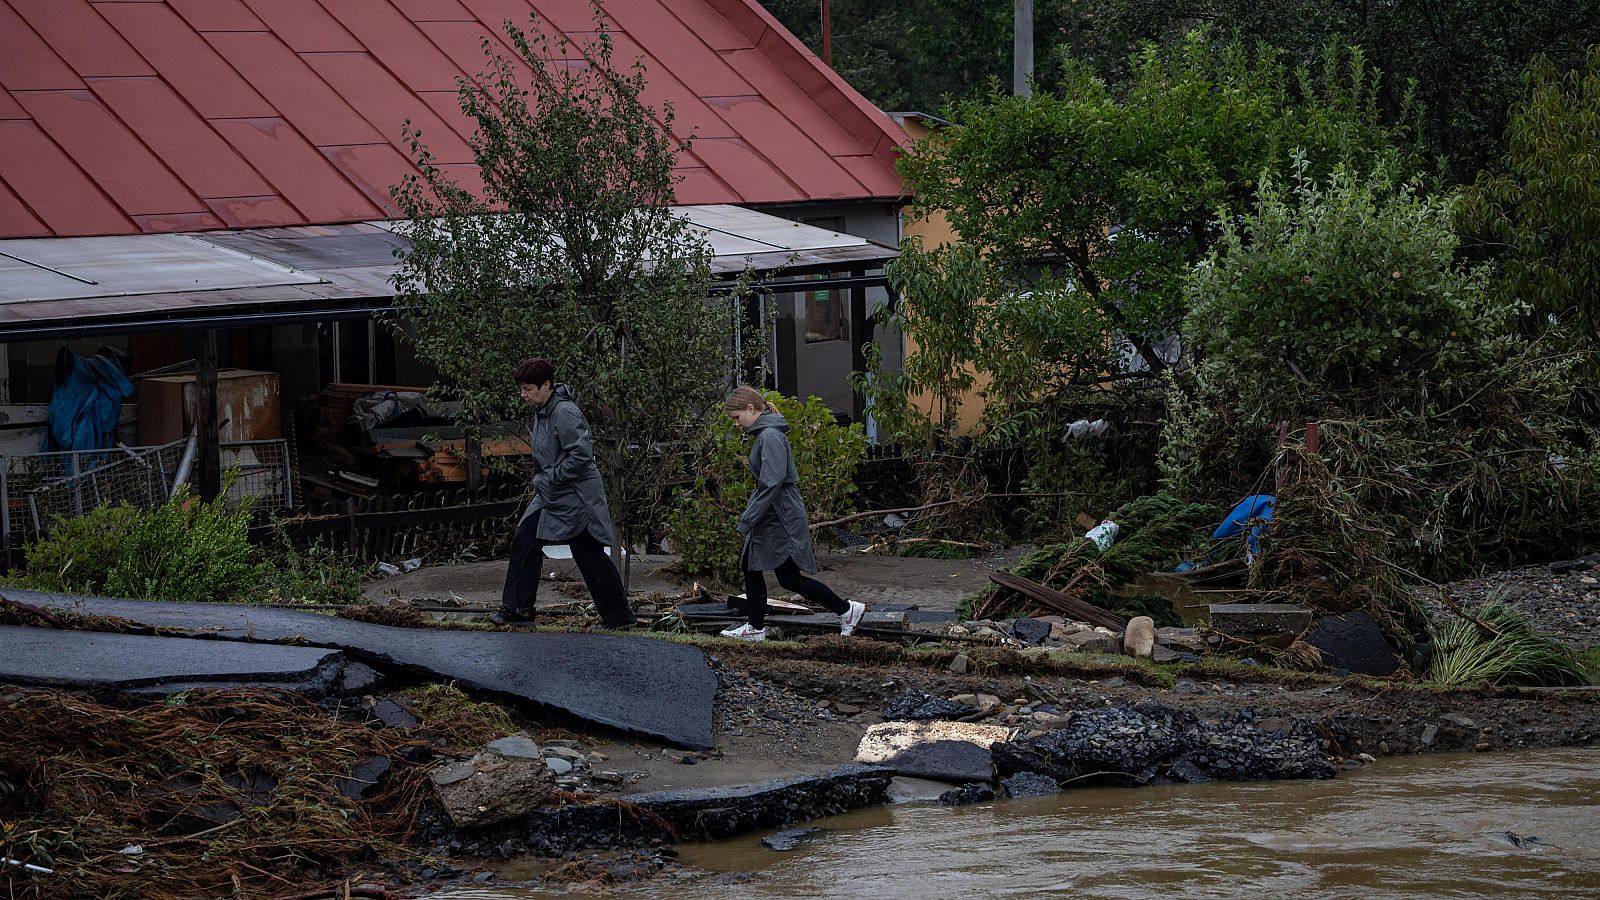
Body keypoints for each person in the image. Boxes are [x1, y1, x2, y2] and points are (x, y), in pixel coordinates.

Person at [493, 357, 636, 629]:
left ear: (547, 385)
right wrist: (547, 481)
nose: (523, 395)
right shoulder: (543, 411)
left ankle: (619, 618)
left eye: (528, 389)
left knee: (587, 551)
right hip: (553, 492)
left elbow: (581, 456)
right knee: (526, 538)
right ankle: (518, 610)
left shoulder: (565, 412)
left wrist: (550, 478)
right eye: (522, 389)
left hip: (576, 495)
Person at [720, 386, 865, 641]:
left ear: (751, 409)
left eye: (737, 417)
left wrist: (747, 519)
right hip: (775, 513)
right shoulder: (765, 434)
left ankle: (846, 609)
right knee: (761, 569)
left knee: (782, 576)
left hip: (780, 514)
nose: (737, 424)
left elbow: (771, 483)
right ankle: (756, 628)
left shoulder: (769, 436)